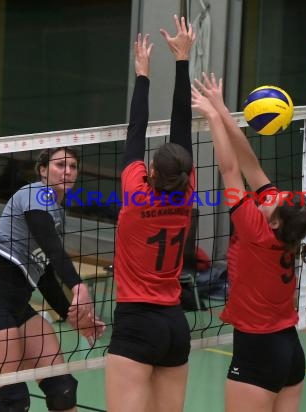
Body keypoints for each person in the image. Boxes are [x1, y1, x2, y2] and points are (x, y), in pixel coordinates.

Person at [191, 73, 306, 412]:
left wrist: (211, 117)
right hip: (288, 350)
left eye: (274, 197)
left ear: (275, 219)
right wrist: (224, 109)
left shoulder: (255, 229)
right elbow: (250, 163)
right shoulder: (283, 227)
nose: (269, 193)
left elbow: (229, 169)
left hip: (258, 350)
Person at [0, 147, 105, 412]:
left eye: (73, 166)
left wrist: (71, 315)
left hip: (19, 308)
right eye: (60, 165)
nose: (68, 171)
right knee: (13, 402)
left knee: (62, 388)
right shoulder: (33, 195)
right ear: (42, 170)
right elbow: (52, 248)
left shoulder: (57, 211)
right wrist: (78, 286)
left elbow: (45, 274)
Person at [105, 15, 196, 412]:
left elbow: (135, 131)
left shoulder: (136, 194)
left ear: (152, 172)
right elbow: (182, 129)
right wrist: (182, 60)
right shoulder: (186, 196)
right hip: (175, 325)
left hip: (137, 322)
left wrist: (142, 74)